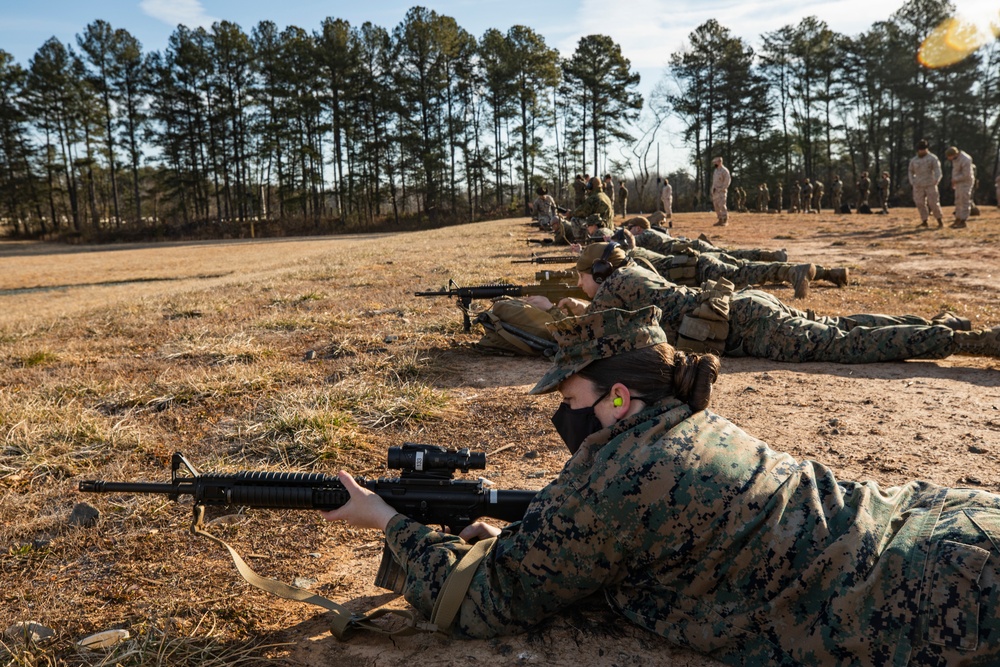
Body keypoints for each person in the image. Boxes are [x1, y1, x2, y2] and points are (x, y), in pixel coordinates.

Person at [322, 305, 1000, 665]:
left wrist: (385, 520)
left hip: (935, 596)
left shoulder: (617, 476)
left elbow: (481, 604)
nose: (561, 408)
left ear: (617, 396)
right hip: (936, 525)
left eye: (570, 393)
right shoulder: (689, 423)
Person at [531, 242, 995, 363]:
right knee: (843, 324)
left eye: (580, 279)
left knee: (847, 345)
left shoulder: (611, 292)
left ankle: (969, 343)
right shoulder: (633, 272)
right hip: (746, 306)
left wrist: (549, 306)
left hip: (750, 328)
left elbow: (582, 337)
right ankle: (942, 323)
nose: (580, 286)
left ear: (597, 274)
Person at [909, 139, 944, 228]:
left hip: (930, 183)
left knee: (933, 203)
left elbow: (937, 170)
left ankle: (939, 220)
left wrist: (937, 179)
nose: (922, 151)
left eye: (923, 149)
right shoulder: (914, 160)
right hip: (918, 184)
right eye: (920, 149)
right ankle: (924, 220)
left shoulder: (932, 158)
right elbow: (910, 171)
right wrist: (912, 181)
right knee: (919, 202)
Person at [946, 146, 975, 228]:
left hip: (966, 182)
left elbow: (966, 174)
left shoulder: (966, 159)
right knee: (958, 200)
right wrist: (954, 180)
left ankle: (963, 220)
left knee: (964, 200)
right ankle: (958, 218)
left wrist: (955, 179)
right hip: (958, 182)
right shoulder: (955, 159)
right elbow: (955, 170)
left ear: (954, 154)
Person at [710, 157, 731, 226]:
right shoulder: (716, 171)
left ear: (719, 162)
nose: (714, 164)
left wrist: (723, 188)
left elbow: (727, 181)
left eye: (715, 163)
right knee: (716, 206)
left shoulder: (724, 171)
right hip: (715, 191)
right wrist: (712, 189)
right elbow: (714, 181)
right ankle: (720, 219)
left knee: (722, 205)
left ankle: (725, 220)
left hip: (721, 191)